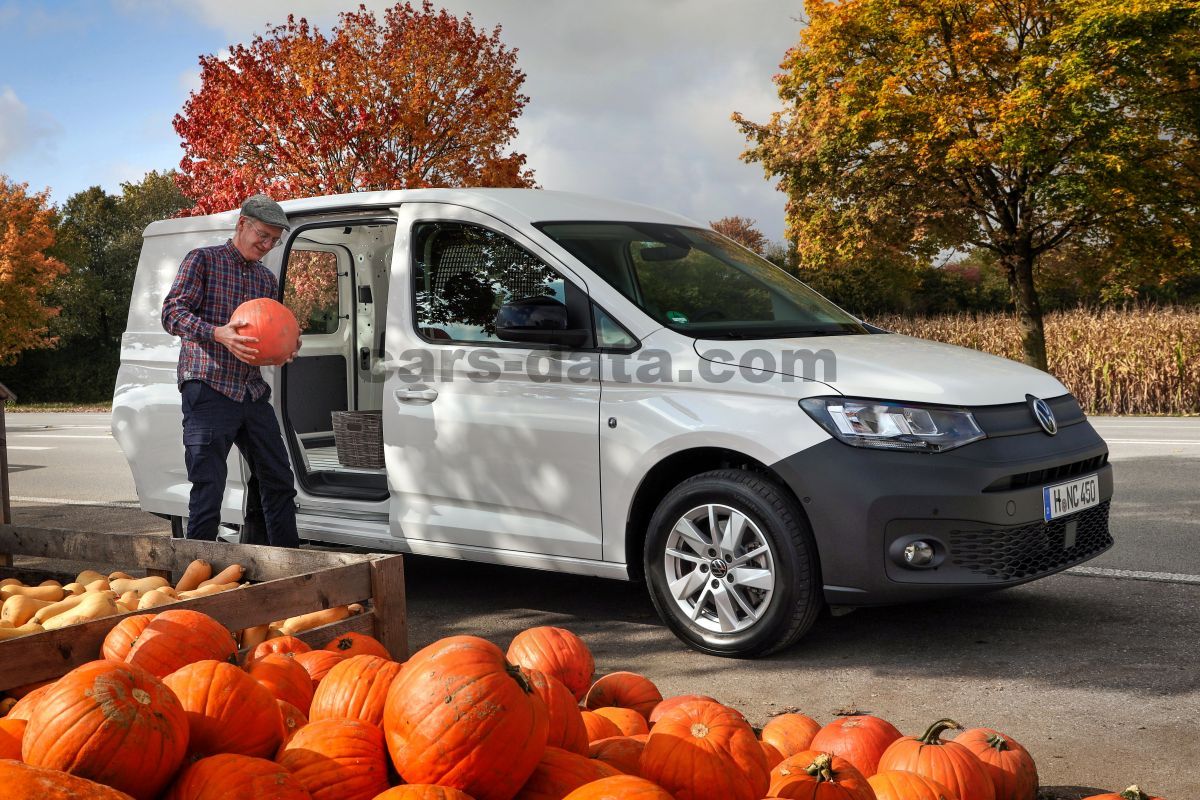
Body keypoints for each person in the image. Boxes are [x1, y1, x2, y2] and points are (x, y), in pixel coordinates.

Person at [161, 194, 301, 548]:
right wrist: (216, 332)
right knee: (210, 484)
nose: (267, 244)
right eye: (263, 235)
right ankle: (198, 573)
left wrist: (284, 348)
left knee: (279, 479)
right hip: (208, 387)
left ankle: (289, 564)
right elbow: (172, 313)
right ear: (242, 224)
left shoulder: (266, 280)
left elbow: (269, 329)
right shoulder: (203, 261)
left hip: (251, 392)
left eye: (275, 240)